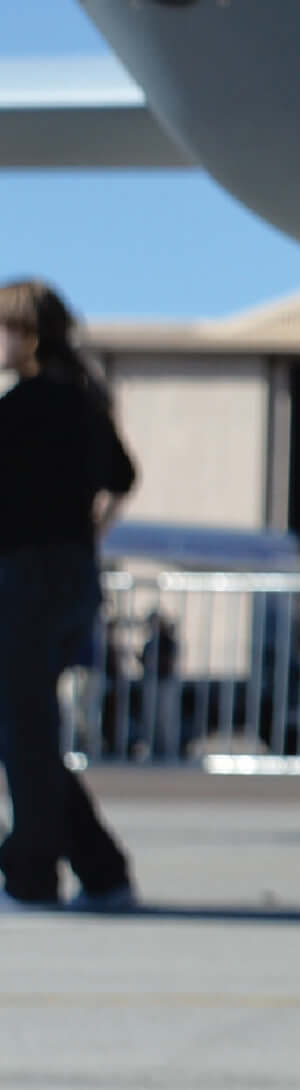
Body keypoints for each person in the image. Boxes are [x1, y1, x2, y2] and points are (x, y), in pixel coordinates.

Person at [0, 278, 137, 912]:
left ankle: (32, 873)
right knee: (26, 730)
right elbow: (122, 476)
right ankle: (101, 868)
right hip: (69, 577)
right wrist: (84, 537)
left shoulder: (24, 406)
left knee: (22, 732)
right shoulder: (82, 400)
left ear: (25, 335)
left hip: (25, 580)